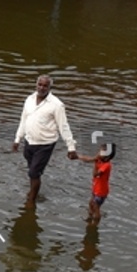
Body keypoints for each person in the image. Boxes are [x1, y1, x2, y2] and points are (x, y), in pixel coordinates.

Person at [12, 74, 78, 204]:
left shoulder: (56, 105)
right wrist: (17, 139)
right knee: (32, 171)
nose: (42, 88)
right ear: (36, 85)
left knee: (34, 172)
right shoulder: (29, 99)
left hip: (45, 144)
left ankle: (31, 201)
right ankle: (33, 191)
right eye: (40, 85)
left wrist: (71, 147)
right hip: (29, 141)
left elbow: (63, 126)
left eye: (45, 86)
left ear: (50, 87)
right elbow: (23, 120)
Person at [76, 141, 115, 223]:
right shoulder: (99, 160)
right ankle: (90, 217)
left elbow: (95, 174)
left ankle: (95, 223)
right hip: (96, 188)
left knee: (96, 206)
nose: (98, 153)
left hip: (101, 191)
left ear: (107, 157)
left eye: (101, 152)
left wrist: (95, 163)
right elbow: (88, 159)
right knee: (91, 203)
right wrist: (78, 157)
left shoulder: (106, 165)